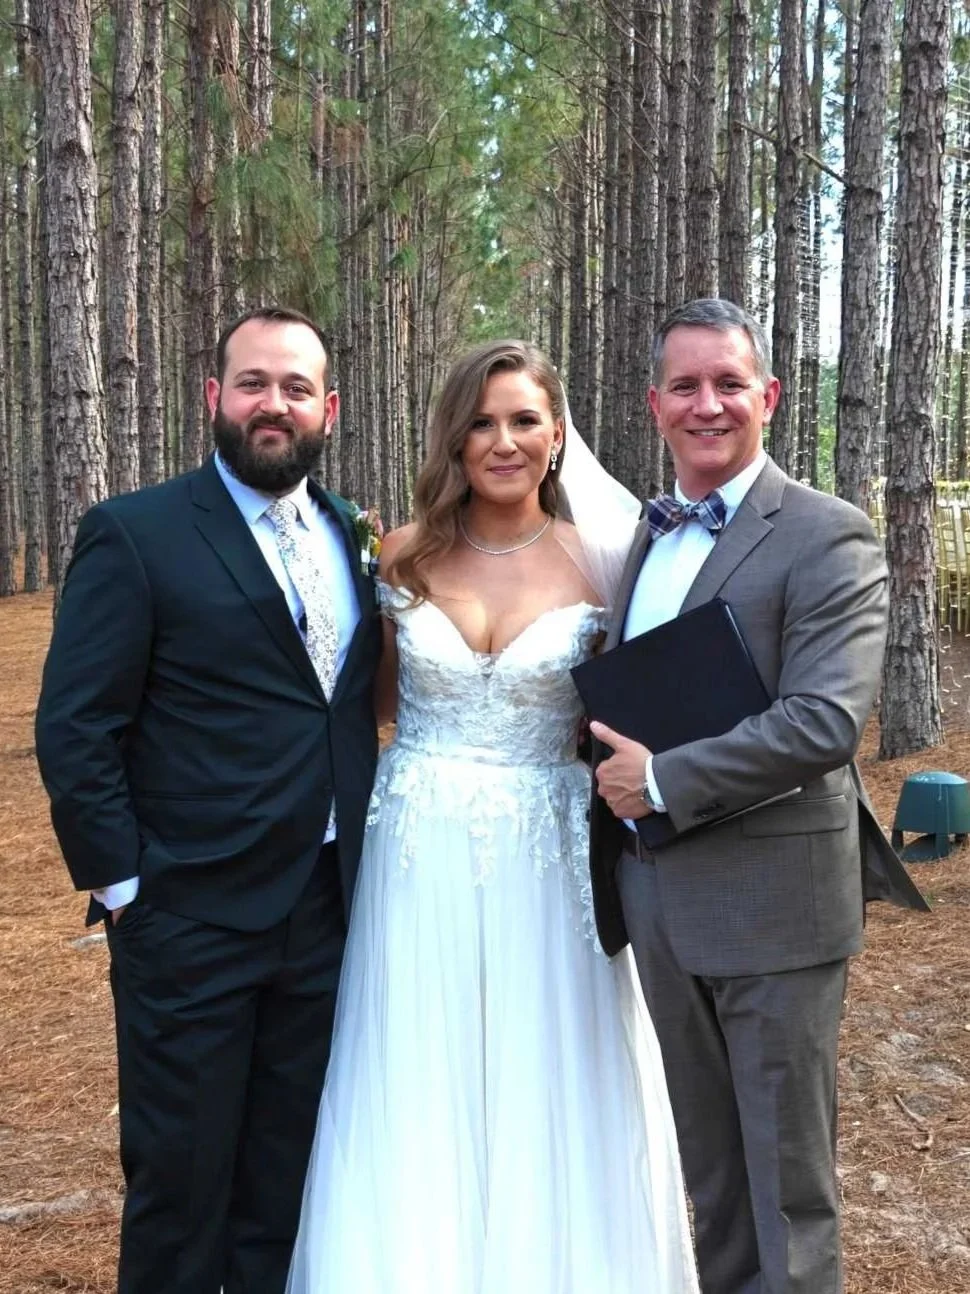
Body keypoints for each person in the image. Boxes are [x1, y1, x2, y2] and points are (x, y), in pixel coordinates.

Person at [285, 339, 699, 1293]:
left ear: (558, 435)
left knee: (546, 1069)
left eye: (523, 419)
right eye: (481, 421)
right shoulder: (400, 555)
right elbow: (377, 702)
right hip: (416, 843)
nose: (502, 440)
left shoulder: (606, 561)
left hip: (547, 849)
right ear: (454, 437)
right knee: (413, 1069)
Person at [34, 307, 382, 1294]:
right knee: (182, 1192)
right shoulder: (136, 534)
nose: (275, 403)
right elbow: (76, 725)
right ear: (214, 396)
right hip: (188, 918)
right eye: (255, 382)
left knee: (288, 1187)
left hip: (324, 911)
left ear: (330, 408)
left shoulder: (354, 532)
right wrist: (127, 885)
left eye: (297, 387)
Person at [589, 297, 928, 1294]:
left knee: (786, 1190)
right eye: (685, 386)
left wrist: (656, 778)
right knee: (714, 1179)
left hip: (774, 907)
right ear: (655, 404)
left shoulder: (826, 536)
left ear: (769, 397)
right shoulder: (644, 540)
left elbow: (821, 723)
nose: (707, 405)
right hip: (658, 900)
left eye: (727, 383)